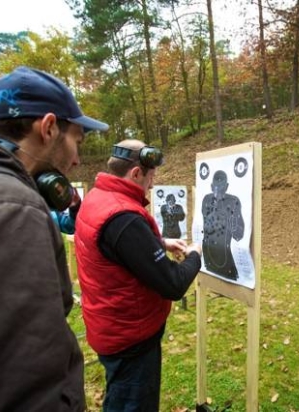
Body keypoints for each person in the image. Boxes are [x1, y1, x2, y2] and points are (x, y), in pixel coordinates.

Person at [0, 66, 108, 411]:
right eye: (76, 139)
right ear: (48, 128)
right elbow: (16, 387)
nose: (77, 158)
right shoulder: (6, 209)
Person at [74, 139, 201, 411]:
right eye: (151, 177)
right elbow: (173, 284)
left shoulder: (98, 197)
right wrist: (195, 255)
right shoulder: (124, 217)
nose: (153, 185)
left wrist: (159, 243)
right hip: (131, 339)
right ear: (135, 174)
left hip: (110, 326)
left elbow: (115, 247)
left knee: (119, 398)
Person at [201, 170, 245, 280]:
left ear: (227, 187)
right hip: (209, 254)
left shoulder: (233, 201)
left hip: (225, 257)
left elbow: (239, 235)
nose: (218, 192)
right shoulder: (207, 200)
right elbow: (207, 227)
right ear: (211, 186)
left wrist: (233, 227)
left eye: (221, 188)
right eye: (216, 188)